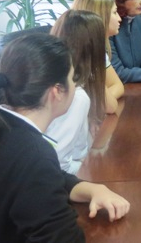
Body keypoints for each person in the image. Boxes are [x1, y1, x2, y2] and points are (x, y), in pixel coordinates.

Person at [0, 33, 129, 242]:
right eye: (72, 78)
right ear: (57, 91)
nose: (75, 86)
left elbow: (47, 178)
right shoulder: (32, 152)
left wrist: (92, 189)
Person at [47, 10, 105, 174]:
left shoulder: (54, 79)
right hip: (64, 179)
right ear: (94, 48)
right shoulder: (75, 96)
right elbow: (59, 165)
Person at [71, 0, 123, 113]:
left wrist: (95, 101)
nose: (119, 18)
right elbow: (109, 107)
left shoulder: (98, 49)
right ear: (99, 15)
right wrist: (100, 100)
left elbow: (118, 85)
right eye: (114, 12)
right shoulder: (78, 52)